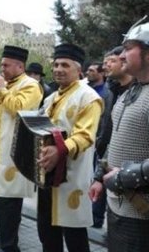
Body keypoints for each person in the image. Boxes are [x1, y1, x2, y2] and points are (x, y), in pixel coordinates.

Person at [92, 15, 149, 251]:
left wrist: (122, 178)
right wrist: (101, 177)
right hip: (117, 207)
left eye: (128, 49)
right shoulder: (128, 93)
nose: (121, 55)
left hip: (144, 213)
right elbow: (116, 140)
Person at [37, 43, 102, 252]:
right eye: (56, 64)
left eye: (64, 65)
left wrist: (59, 150)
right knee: (47, 232)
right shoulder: (51, 98)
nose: (58, 69)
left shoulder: (88, 97)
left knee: (74, 235)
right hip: (47, 174)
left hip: (72, 176)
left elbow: (85, 135)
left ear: (78, 69)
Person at [0, 46, 43, 251]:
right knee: (0, 196)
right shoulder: (5, 84)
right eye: (2, 64)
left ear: (20, 66)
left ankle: (10, 245)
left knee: (10, 200)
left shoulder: (30, 85)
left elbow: (18, 108)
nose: (2, 69)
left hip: (13, 150)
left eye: (6, 65)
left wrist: (1, 87)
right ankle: (3, 237)